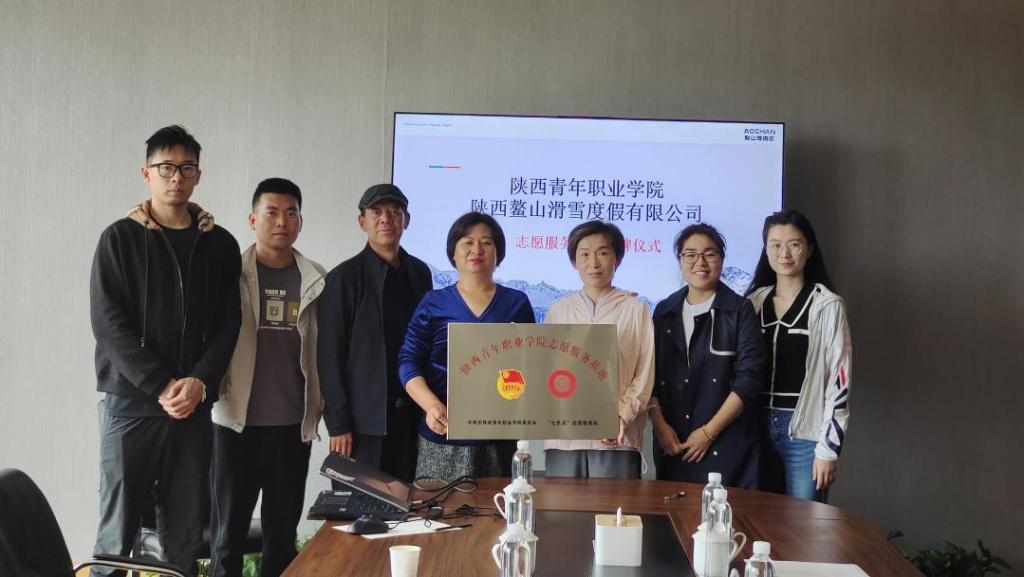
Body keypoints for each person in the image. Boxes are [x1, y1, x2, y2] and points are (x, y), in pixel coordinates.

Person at [90, 125, 241, 576]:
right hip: (131, 406)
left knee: (184, 532)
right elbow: (108, 323)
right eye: (166, 167)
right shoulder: (119, 239)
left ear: (198, 175)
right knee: (118, 530)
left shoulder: (220, 244)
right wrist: (160, 385)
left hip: (192, 408)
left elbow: (228, 324)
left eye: (186, 168)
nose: (176, 177)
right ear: (147, 173)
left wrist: (199, 381)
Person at [209, 178, 325, 577]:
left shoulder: (316, 279)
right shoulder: (230, 275)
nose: (282, 222)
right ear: (252, 219)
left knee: (281, 539)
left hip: (292, 429)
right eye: (271, 212)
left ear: (300, 221)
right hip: (235, 426)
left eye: (291, 213)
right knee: (227, 538)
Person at [398, 212, 535, 479]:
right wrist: (431, 405)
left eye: (486, 242)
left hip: (498, 436)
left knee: (498, 505)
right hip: (442, 433)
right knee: (438, 506)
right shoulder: (433, 303)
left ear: (498, 252)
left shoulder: (516, 303)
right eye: (467, 242)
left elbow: (530, 364)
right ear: (453, 252)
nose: (477, 249)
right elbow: (408, 361)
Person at [318, 184, 433, 481]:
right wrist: (338, 424)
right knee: (358, 506)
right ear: (362, 222)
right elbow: (329, 355)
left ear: (406, 220)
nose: (386, 219)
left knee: (408, 504)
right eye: (376, 212)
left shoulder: (420, 273)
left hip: (412, 418)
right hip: (362, 425)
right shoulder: (343, 277)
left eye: (395, 212)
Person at [745, 209, 852, 502]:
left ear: (809, 249)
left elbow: (840, 380)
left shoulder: (827, 305)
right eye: (775, 245)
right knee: (756, 518)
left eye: (794, 244)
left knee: (803, 522)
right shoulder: (753, 303)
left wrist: (828, 449)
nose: (785, 253)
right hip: (754, 429)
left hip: (805, 434)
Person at [648, 223, 765, 487]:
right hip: (673, 444)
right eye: (690, 254)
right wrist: (659, 426)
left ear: (721, 259)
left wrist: (709, 433)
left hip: (727, 445)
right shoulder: (665, 311)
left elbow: (748, 380)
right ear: (680, 260)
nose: (700, 262)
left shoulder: (739, 310)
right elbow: (649, 376)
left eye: (710, 254)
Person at [542, 221, 654, 478]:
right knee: (561, 504)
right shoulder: (558, 311)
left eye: (603, 253)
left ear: (617, 259)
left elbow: (644, 374)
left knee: (616, 504)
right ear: (574, 262)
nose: (593, 263)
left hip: (617, 437)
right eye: (584, 254)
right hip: (564, 438)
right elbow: (546, 372)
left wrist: (621, 416)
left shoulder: (636, 310)